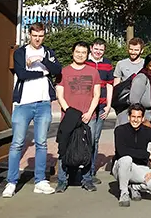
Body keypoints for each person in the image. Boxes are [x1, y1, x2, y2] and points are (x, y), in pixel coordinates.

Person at [4, 22, 62, 198]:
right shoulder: (20, 52)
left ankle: (40, 181)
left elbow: (57, 70)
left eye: (41, 36)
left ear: (44, 36)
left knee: (42, 143)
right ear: (30, 35)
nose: (38, 39)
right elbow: (22, 74)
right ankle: (11, 182)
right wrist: (43, 73)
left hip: (43, 103)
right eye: (35, 35)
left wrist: (40, 60)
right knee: (17, 143)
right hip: (24, 103)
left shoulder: (48, 52)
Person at [56, 41, 102, 193]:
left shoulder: (93, 72)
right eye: (77, 52)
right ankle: (62, 180)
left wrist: (89, 112)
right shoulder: (64, 71)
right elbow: (60, 95)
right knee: (64, 148)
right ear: (72, 52)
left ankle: (87, 179)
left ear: (87, 54)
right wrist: (69, 112)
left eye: (83, 52)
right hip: (69, 117)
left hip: (89, 116)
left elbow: (97, 95)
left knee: (88, 147)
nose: (80, 55)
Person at [112, 103, 151, 207]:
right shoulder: (120, 130)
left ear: (143, 118)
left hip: (138, 168)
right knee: (126, 159)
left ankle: (134, 187)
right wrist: (147, 154)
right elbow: (122, 151)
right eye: (133, 117)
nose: (135, 120)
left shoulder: (148, 132)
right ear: (129, 117)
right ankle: (124, 193)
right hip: (121, 167)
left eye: (138, 117)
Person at [84, 38, 114, 183]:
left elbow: (109, 85)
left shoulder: (107, 65)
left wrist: (108, 105)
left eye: (101, 50)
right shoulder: (85, 62)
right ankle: (82, 169)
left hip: (101, 105)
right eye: (96, 49)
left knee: (95, 138)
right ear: (91, 48)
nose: (98, 52)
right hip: (87, 106)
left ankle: (90, 171)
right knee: (87, 137)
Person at [124, 53, 151, 128]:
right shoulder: (141, 78)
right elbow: (134, 103)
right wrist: (144, 120)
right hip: (140, 121)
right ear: (146, 66)